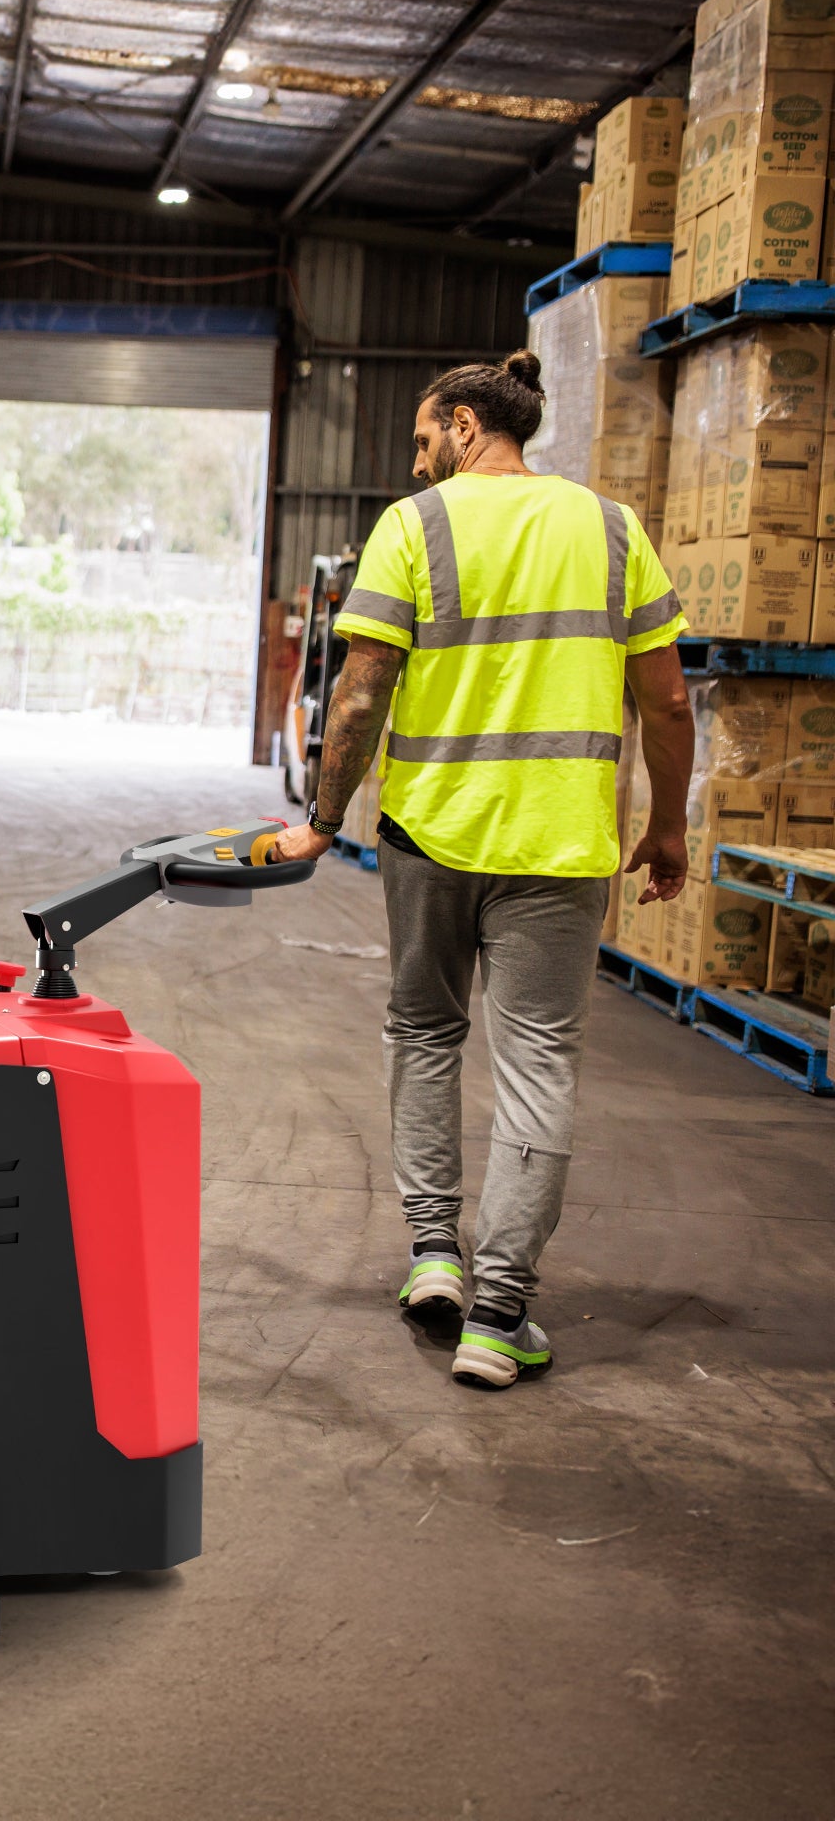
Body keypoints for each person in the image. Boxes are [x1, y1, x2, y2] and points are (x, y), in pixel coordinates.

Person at [268, 350, 694, 1390]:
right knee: (537, 1061)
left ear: (464, 424)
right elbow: (670, 704)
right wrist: (668, 824)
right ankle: (498, 1311)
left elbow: (358, 693)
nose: (417, 465)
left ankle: (431, 1258)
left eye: (422, 441)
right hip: (556, 845)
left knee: (423, 1030)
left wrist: (321, 822)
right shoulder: (610, 528)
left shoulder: (412, 528)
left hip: (430, 835)